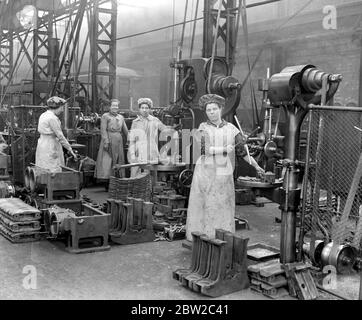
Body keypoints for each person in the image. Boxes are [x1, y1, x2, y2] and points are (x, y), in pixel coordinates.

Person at [185, 94, 264, 241]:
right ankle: (204, 239)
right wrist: (224, 149)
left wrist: (256, 166)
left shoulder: (232, 129)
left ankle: (222, 237)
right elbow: (205, 150)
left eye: (215, 109)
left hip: (223, 177)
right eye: (209, 110)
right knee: (205, 206)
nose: (212, 112)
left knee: (222, 207)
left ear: (221, 109)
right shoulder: (202, 128)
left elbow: (242, 152)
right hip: (205, 175)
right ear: (205, 112)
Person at [128, 98, 168, 177]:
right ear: (139, 109)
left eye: (146, 108)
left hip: (151, 149)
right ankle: (136, 187)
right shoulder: (135, 122)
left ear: (149, 109)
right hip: (138, 149)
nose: (144, 110)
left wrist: (172, 129)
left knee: (150, 172)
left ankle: (150, 188)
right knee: (135, 171)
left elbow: (164, 129)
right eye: (142, 108)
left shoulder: (154, 120)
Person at [35, 96, 77, 173]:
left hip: (42, 144)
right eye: (61, 107)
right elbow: (60, 136)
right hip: (51, 145)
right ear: (57, 106)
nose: (62, 110)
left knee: (43, 168)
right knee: (53, 169)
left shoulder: (43, 115)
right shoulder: (52, 118)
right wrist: (70, 150)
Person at [95, 99, 128, 188]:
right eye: (113, 106)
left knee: (118, 160)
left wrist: (130, 139)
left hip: (118, 141)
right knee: (108, 160)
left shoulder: (121, 117)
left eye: (116, 106)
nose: (115, 107)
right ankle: (108, 182)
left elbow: (125, 130)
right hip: (109, 139)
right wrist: (106, 141)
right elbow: (103, 130)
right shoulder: (105, 116)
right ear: (109, 107)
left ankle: (117, 180)